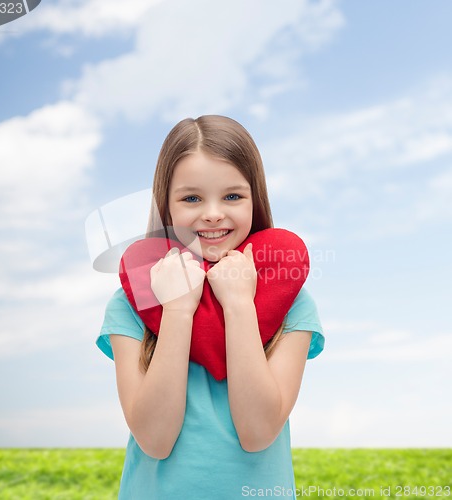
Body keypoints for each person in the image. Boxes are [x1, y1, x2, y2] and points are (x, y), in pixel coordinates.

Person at [96, 115, 325, 499]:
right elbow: (154, 440)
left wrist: (238, 306)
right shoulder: (133, 300)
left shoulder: (292, 302)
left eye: (233, 196)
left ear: (256, 199)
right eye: (191, 198)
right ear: (166, 207)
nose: (213, 213)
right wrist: (177, 310)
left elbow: (257, 432)